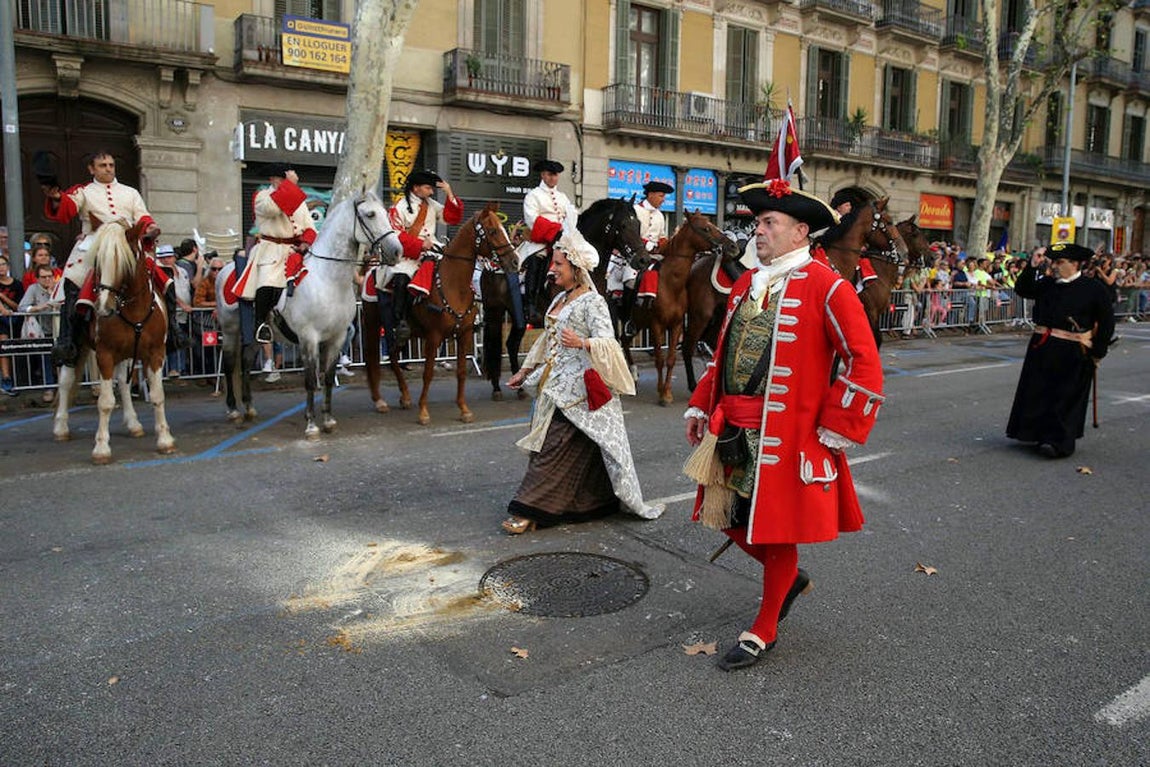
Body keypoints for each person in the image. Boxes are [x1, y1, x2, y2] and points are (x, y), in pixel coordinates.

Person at [682, 179, 884, 672]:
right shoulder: (746, 284)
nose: (759, 230)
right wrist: (702, 406)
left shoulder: (828, 286)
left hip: (787, 437)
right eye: (758, 222)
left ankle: (763, 628)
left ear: (800, 232)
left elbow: (864, 361)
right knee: (729, 520)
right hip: (732, 428)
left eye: (769, 222)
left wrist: (837, 425)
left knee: (775, 534)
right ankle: (788, 579)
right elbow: (722, 354)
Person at [504, 229, 665, 534]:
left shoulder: (593, 302)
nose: (552, 270)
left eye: (558, 265)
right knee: (577, 448)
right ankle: (594, 502)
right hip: (554, 384)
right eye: (552, 264)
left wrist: (583, 343)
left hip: (581, 391)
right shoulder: (559, 298)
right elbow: (546, 341)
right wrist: (525, 371)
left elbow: (609, 342)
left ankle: (527, 508)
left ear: (576, 268)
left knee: (551, 447)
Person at [40, 149, 186, 366]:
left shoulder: (130, 192)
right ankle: (68, 341)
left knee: (165, 281)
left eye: (111, 165)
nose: (108, 169)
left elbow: (143, 217)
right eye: (102, 165)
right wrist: (56, 197)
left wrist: (151, 228)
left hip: (126, 244)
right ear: (91, 169)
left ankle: (172, 332)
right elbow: (67, 208)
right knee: (72, 281)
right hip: (95, 244)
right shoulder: (84, 192)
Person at [1006, 242, 1115, 458]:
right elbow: (1023, 289)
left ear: (1075, 264)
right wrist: (1033, 265)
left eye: (1059, 262)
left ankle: (1058, 442)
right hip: (1043, 346)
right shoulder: (1048, 284)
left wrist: (1098, 351)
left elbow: (1106, 322)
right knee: (1038, 391)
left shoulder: (1093, 288)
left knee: (1065, 396)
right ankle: (1034, 433)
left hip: (1073, 349)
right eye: (1053, 262)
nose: (1054, 266)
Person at [233, 162, 317, 344]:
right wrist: (291, 186)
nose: (285, 182)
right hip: (269, 249)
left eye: (287, 180)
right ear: (272, 179)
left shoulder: (299, 201)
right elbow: (272, 209)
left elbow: (310, 227)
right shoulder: (262, 196)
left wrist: (305, 242)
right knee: (268, 281)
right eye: (283, 179)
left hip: (293, 251)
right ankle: (261, 324)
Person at [383, 169, 463, 343]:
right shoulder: (398, 207)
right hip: (408, 256)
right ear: (416, 188)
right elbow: (395, 234)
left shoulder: (431, 205)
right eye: (428, 188)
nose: (432, 192)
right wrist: (419, 245)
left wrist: (449, 193)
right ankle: (401, 321)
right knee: (401, 279)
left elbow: (451, 218)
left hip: (433, 250)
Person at [519, 159, 574, 326]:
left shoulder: (563, 197)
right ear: (543, 175)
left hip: (562, 241)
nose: (553, 178)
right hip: (541, 241)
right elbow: (532, 219)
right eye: (550, 175)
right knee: (536, 260)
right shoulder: (533, 195)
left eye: (555, 175)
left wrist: (566, 230)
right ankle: (530, 304)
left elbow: (571, 217)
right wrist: (555, 231)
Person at [621, 180, 674, 336]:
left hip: (654, 256)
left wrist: (669, 244)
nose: (663, 200)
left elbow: (661, 237)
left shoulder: (660, 216)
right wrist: (647, 244)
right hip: (634, 255)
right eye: (661, 196)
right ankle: (628, 318)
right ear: (650, 194)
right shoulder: (635, 210)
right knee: (631, 280)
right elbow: (630, 234)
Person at [0, 254, 26, 394]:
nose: (1, 268)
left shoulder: (17, 284)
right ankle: (6, 377)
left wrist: (3, 297)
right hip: (1, 322)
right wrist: (2, 309)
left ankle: (19, 379)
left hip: (15, 320)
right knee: (4, 343)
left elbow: (18, 306)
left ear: (8, 266)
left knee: (15, 349)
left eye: (3, 264)